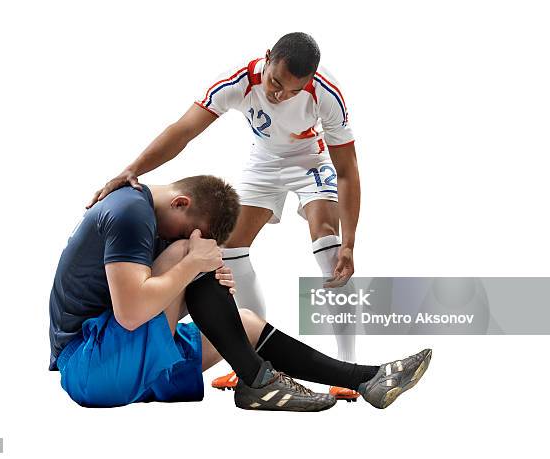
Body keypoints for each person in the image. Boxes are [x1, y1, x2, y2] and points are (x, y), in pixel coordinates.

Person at [86, 32, 363, 400]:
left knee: (328, 244)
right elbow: (183, 131)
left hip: (310, 161)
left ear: (308, 83)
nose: (279, 95)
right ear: (267, 58)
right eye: (276, 83)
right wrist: (132, 168)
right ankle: (251, 362)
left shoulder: (326, 94)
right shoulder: (238, 82)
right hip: (264, 162)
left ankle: (346, 369)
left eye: (292, 91)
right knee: (228, 248)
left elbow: (347, 170)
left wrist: (350, 244)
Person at [50, 175, 432, 410]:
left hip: (116, 356)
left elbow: (146, 306)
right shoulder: (131, 213)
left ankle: (367, 379)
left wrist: (203, 282)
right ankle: (257, 381)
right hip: (88, 366)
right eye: (186, 230)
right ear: (181, 202)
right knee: (192, 255)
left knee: (244, 322)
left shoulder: (146, 214)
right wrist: (191, 264)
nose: (179, 240)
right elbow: (130, 314)